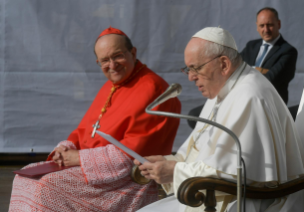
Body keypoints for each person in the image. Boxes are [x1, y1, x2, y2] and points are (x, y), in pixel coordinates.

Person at [9, 27, 181, 212]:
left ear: (133, 52)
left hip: (127, 181)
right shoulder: (112, 85)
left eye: (118, 56)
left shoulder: (153, 88)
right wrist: (66, 148)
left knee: (48, 186)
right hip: (96, 169)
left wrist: (79, 159)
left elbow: (133, 154)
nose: (112, 65)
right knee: (25, 177)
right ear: (98, 62)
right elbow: (85, 129)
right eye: (105, 60)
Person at [135, 27, 304, 212]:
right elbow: (199, 152)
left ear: (224, 64)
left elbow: (238, 174)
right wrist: (164, 163)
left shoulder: (249, 95)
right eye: (188, 69)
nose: (191, 77)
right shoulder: (221, 90)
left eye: (196, 68)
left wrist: (175, 171)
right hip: (210, 194)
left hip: (243, 202)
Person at [241, 7, 298, 104]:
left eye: (270, 25)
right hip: (246, 101)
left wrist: (248, 69)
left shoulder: (288, 51)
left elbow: (270, 79)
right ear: (257, 27)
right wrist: (259, 70)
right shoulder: (251, 46)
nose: (266, 29)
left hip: (271, 106)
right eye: (262, 25)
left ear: (278, 24)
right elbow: (235, 69)